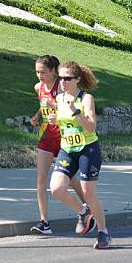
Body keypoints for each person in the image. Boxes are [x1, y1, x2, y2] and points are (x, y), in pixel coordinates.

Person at [48, 61, 111, 249]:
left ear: (77, 80)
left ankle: (103, 232)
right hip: (67, 149)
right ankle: (83, 212)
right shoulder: (59, 99)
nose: (63, 82)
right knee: (56, 188)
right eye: (60, 78)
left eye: (67, 78)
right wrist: (54, 120)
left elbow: (91, 126)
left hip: (88, 149)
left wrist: (75, 111)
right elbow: (64, 124)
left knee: (88, 193)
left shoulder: (85, 98)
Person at [29, 55, 89, 235]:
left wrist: (53, 105)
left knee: (69, 179)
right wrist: (37, 116)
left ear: (53, 71)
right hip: (47, 136)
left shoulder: (61, 86)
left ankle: (89, 207)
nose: (39, 75)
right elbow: (43, 104)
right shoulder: (38, 87)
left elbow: (70, 106)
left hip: (63, 137)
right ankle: (44, 223)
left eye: (43, 72)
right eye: (37, 72)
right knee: (40, 180)